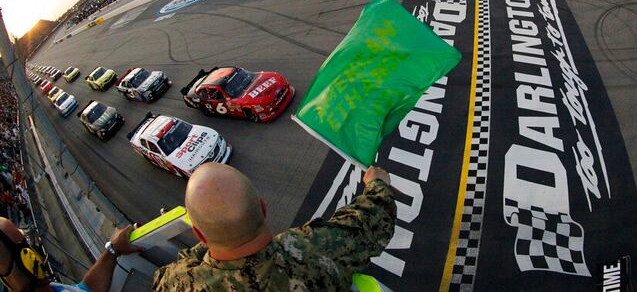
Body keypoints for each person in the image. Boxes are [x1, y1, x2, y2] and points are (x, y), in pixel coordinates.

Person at [153, 163, 396, 291]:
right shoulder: (310, 250)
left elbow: (161, 278)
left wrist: (113, 251)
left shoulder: (183, 282)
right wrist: (377, 184)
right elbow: (370, 221)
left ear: (198, 235)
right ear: (263, 207)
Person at [0, 217, 142, 292]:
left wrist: (112, 250)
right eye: (24, 239)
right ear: (29, 259)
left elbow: (87, 289)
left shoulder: (51, 289)